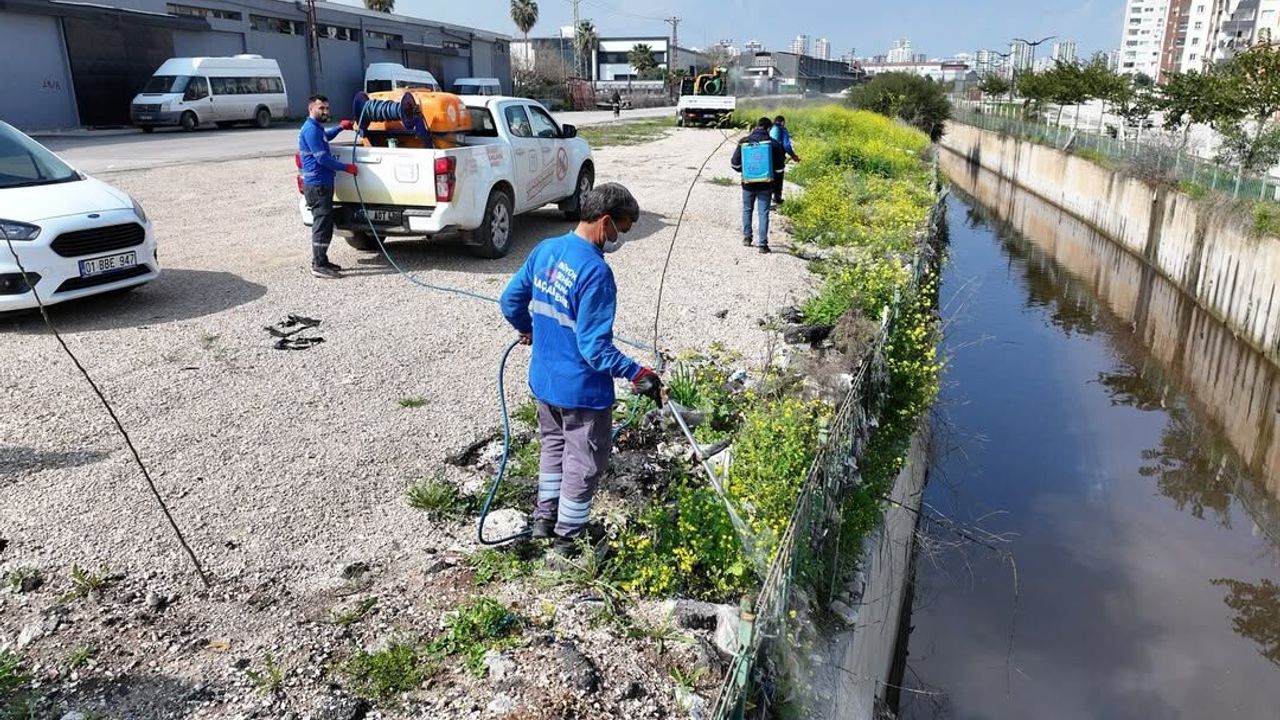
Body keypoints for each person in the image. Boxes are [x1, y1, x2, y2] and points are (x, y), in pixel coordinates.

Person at [499, 183, 660, 556]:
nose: (620, 239)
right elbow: (594, 349)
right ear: (605, 222)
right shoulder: (596, 272)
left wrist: (527, 326)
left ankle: (544, 519)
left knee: (553, 448)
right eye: (622, 229)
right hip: (582, 392)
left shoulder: (546, 250)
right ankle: (569, 536)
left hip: (544, 382)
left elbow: (510, 300)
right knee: (584, 461)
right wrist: (638, 373)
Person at [298, 95, 357, 279]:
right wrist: (346, 167)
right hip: (317, 185)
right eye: (321, 108)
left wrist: (340, 127)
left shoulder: (317, 129)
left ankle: (323, 260)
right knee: (322, 225)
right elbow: (322, 158)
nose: (325, 111)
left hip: (323, 184)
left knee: (325, 223)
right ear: (311, 109)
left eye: (327, 108)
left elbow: (325, 136)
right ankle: (318, 264)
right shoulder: (311, 130)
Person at [730, 117, 786, 254]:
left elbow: (734, 164)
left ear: (756, 126)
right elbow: (779, 169)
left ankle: (747, 238)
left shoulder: (744, 142)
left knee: (747, 209)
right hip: (766, 185)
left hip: (748, 183)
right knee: (763, 213)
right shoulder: (773, 144)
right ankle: (762, 245)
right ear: (769, 128)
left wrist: (745, 170)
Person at [768, 115, 801, 207]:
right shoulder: (782, 129)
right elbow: (786, 145)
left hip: (767, 157)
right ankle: (777, 199)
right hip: (778, 158)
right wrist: (793, 156)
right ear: (782, 122)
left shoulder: (769, 128)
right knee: (778, 177)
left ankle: (767, 200)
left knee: (769, 177)